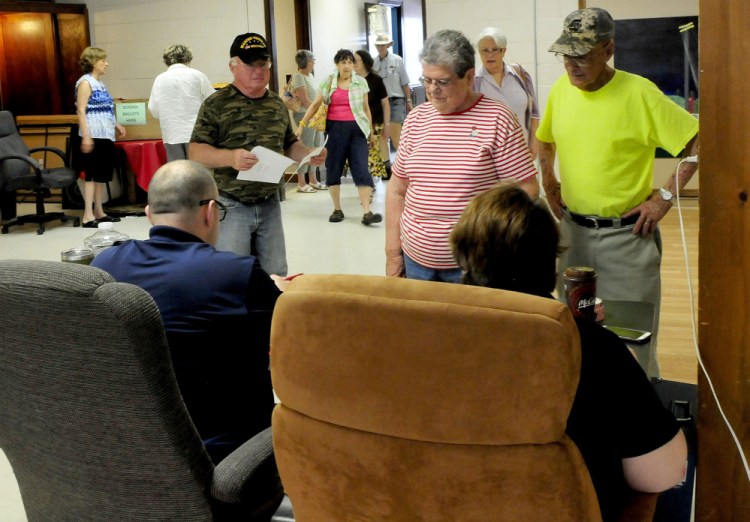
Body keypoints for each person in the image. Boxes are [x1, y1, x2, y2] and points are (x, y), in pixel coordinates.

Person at [449, 183, 687, 521]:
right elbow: (665, 472)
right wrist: (624, 369)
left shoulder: (424, 339)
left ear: (462, 256)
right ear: (551, 263)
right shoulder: (592, 348)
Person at [91, 159, 291, 467]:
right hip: (229, 457)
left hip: (133, 450)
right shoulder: (235, 274)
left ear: (148, 215)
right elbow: (291, 337)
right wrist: (273, 288)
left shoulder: (104, 266)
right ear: (210, 211)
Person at [536, 8, 700, 378]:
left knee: (631, 344)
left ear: (608, 49)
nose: (572, 66)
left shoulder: (640, 93)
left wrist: (665, 197)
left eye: (583, 55)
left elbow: (698, 142)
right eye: (567, 55)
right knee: (575, 338)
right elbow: (544, 140)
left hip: (627, 239)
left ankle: (642, 425)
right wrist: (548, 181)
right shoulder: (562, 90)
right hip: (574, 235)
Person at [385, 29, 539, 282]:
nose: (432, 90)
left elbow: (527, 189)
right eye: (427, 80)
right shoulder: (416, 120)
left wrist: (492, 245)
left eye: (443, 81)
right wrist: (393, 254)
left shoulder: (497, 118)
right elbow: (397, 189)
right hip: (416, 261)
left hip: (475, 266)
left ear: (468, 77)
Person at [190, 33, 326, 276]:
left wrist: (308, 154)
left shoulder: (275, 104)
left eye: (263, 64)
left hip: (269, 202)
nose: (258, 70)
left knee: (275, 274)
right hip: (231, 204)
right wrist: (230, 158)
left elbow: (289, 145)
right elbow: (196, 152)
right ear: (233, 66)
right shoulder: (216, 104)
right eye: (250, 64)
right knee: (232, 277)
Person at [297, 49, 380, 226]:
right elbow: (315, 104)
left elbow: (366, 109)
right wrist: (302, 124)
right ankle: (337, 209)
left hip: (357, 130)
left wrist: (371, 132)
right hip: (335, 130)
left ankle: (367, 212)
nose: (347, 66)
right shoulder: (329, 81)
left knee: (361, 169)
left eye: (350, 62)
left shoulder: (361, 82)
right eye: (343, 62)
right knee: (334, 168)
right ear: (337, 65)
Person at [75, 47, 126, 228]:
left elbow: (105, 108)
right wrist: (86, 136)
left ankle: (99, 210)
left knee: (100, 176)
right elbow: (81, 110)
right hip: (93, 134)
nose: (106, 63)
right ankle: (87, 215)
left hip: (105, 134)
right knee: (90, 176)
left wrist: (116, 124)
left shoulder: (101, 84)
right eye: (103, 60)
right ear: (93, 62)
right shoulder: (85, 83)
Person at [473, 27, 540, 160]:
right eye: (485, 50)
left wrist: (534, 143)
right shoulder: (473, 82)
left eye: (495, 50)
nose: (490, 55)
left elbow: (534, 113)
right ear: (479, 52)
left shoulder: (520, 74)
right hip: (489, 160)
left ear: (504, 51)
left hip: (522, 154)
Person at [148, 44, 215, 162]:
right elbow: (212, 101)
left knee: (178, 172)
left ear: (166, 60)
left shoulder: (160, 79)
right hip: (196, 132)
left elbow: (153, 109)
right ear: (188, 58)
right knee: (199, 170)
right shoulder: (197, 75)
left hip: (171, 133)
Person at [372, 33, 412, 177]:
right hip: (379, 103)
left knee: (396, 135)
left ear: (388, 45)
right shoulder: (373, 62)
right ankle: (387, 169)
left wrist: (408, 101)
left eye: (383, 45)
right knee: (382, 136)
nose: (381, 47)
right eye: (378, 45)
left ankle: (405, 167)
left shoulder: (397, 60)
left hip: (396, 101)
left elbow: (405, 82)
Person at [289, 49, 327, 193]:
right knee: (306, 147)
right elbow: (305, 101)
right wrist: (317, 111)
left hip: (315, 116)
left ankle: (313, 179)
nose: (314, 63)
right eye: (312, 61)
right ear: (308, 62)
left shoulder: (310, 75)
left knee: (316, 146)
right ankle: (301, 182)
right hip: (304, 116)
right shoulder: (298, 77)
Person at [354, 49, 390, 180]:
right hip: (358, 123)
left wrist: (386, 124)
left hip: (375, 120)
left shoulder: (376, 79)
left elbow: (385, 103)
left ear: (364, 62)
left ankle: (372, 181)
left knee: (373, 152)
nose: (352, 63)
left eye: (355, 60)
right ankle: (367, 180)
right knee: (361, 153)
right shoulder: (352, 81)